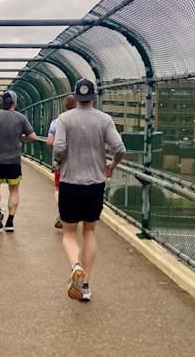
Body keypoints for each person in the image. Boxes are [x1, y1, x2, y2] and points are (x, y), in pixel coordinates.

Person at [53, 79, 125, 302]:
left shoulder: (65, 119)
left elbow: (58, 148)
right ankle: (85, 285)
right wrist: (112, 165)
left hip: (70, 182)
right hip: (95, 183)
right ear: (94, 97)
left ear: (76, 97)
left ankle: (75, 266)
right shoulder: (104, 119)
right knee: (89, 232)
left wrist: (60, 160)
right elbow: (120, 148)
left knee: (69, 234)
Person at [0, 90, 37, 232]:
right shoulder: (21, 118)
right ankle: (10, 222)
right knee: (14, 190)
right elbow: (33, 137)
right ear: (15, 103)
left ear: (2, 103)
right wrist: (20, 137)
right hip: (14, 161)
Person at [46, 94, 77, 229]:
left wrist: (57, 154)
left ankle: (62, 212)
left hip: (61, 161)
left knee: (59, 188)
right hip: (80, 162)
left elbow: (50, 142)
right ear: (76, 105)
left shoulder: (56, 121)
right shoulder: (82, 120)